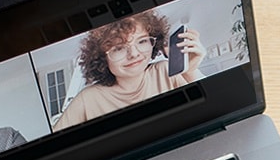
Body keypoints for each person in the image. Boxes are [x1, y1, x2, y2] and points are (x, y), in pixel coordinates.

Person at [53, 11, 204, 130]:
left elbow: (214, 107)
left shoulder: (166, 71)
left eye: (142, 41)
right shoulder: (87, 99)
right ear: (101, 59)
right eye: (119, 48)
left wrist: (190, 71)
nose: (134, 54)